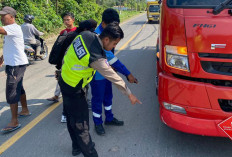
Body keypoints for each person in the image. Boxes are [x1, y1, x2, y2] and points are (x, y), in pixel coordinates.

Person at [58, 22, 141, 157]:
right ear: (106, 39)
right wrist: (129, 94)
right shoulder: (96, 57)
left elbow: (68, 51)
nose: (114, 47)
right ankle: (90, 152)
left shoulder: (85, 35)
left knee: (70, 117)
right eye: (114, 44)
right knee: (82, 125)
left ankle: (76, 146)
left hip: (64, 78)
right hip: (74, 87)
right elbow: (113, 76)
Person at [91, 8, 138, 135]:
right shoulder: (98, 38)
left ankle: (109, 118)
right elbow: (113, 59)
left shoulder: (109, 33)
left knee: (108, 96)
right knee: (97, 99)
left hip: (107, 72)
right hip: (97, 75)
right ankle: (98, 122)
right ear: (104, 24)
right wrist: (127, 73)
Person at [0, 6, 30, 133]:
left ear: (11, 17)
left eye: (3, 16)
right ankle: (25, 109)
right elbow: (10, 46)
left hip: (16, 65)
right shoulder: (10, 30)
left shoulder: (13, 27)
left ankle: (14, 121)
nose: (1, 18)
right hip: (16, 64)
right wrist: (2, 58)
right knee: (19, 87)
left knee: (12, 91)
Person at [47, 12, 77, 123]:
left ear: (73, 20)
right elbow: (58, 48)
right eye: (64, 20)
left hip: (74, 64)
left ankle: (83, 100)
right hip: (63, 63)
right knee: (63, 84)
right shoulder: (62, 32)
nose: (66, 22)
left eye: (68, 19)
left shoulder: (78, 32)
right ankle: (64, 109)